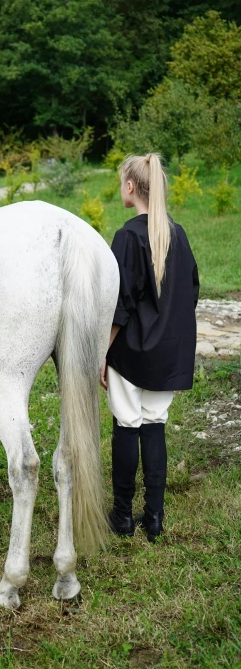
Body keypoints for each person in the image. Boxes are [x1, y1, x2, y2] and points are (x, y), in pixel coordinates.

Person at [100, 153, 199, 542]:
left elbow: (119, 304)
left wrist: (102, 354)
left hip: (132, 352)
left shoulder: (127, 236)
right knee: (154, 424)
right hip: (167, 355)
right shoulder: (179, 233)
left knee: (127, 424)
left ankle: (123, 517)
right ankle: (154, 518)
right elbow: (190, 292)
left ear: (130, 187)